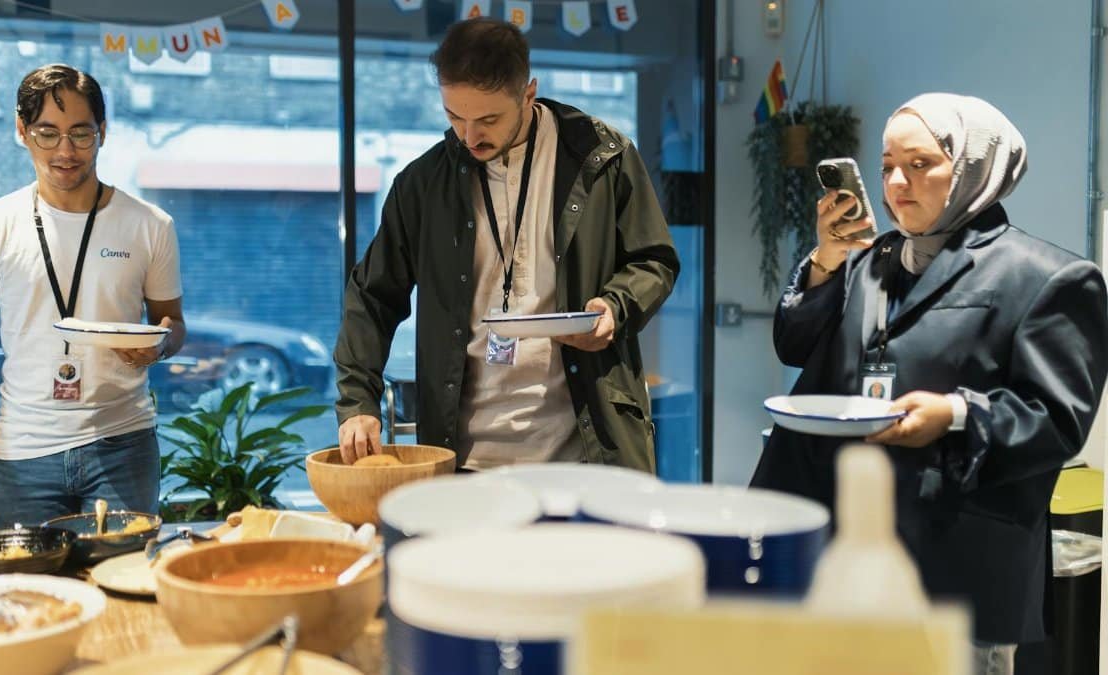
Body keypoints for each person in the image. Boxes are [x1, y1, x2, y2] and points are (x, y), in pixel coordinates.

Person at [751, 93, 1108, 673]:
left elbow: (1057, 420)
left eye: (920, 164)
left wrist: (957, 414)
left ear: (971, 166)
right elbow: (796, 346)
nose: (895, 182)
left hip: (953, 562)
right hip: (838, 545)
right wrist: (823, 260)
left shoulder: (1049, 277)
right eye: (888, 165)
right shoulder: (869, 260)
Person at [333, 18, 678, 471]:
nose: (469, 136)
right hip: (463, 461)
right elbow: (373, 295)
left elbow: (654, 259)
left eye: (488, 119)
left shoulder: (602, 158)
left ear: (528, 94)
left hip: (585, 455)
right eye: (455, 117)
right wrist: (359, 401)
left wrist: (616, 307)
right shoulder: (423, 185)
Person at [0, 64, 186, 531]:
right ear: (21, 130)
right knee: (30, 597)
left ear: (103, 132)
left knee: (120, 585)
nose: (66, 151)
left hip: (123, 443)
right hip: (24, 451)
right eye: (47, 134)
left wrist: (161, 345)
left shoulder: (150, 226)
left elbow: (172, 322)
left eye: (81, 134)